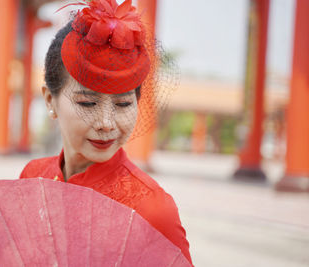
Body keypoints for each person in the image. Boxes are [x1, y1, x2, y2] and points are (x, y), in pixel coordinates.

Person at [20, 0, 193, 264]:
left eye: (123, 104)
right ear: (49, 101)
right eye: (87, 103)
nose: (106, 123)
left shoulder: (152, 208)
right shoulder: (32, 177)